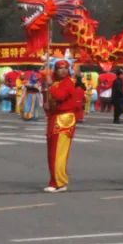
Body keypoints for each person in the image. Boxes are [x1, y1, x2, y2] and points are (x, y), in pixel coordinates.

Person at [43, 58, 79, 193]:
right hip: (55, 118)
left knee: (58, 153)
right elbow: (50, 102)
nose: (63, 71)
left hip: (63, 120)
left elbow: (60, 96)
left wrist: (51, 86)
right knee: (52, 152)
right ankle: (56, 180)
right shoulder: (56, 83)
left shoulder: (68, 82)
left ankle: (59, 182)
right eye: (60, 68)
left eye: (65, 68)